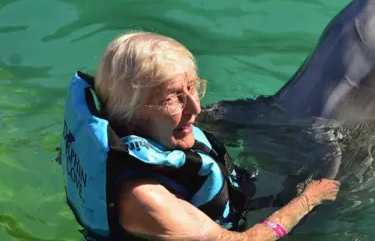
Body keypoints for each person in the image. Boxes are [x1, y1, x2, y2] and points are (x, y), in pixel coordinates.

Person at [60, 31, 341, 241]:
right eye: (172, 98)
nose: (195, 108)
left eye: (192, 87)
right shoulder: (147, 200)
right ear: (132, 111)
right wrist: (307, 200)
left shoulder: (141, 130)